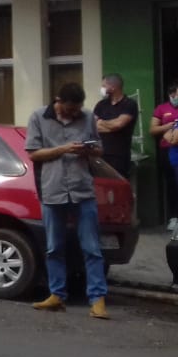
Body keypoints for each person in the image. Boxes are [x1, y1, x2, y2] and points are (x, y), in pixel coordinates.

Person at [26, 83, 110, 319]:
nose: (74, 114)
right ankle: (57, 296)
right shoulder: (38, 117)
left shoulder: (87, 117)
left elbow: (99, 149)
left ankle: (97, 300)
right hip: (52, 191)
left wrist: (89, 151)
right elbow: (33, 153)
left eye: (77, 110)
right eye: (70, 109)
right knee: (54, 248)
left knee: (92, 248)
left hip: (82, 190)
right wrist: (63, 149)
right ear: (58, 101)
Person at [151, 79, 178, 226]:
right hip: (168, 150)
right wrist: (167, 127)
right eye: (171, 94)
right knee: (171, 184)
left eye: (177, 94)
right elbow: (153, 130)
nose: (174, 97)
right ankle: (173, 216)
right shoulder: (162, 108)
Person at [93, 73, 138, 177]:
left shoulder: (129, 104)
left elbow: (118, 125)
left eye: (104, 86)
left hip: (119, 156)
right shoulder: (101, 104)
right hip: (101, 154)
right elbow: (92, 126)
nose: (102, 88)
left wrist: (101, 122)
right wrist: (110, 127)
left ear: (113, 87)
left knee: (118, 187)